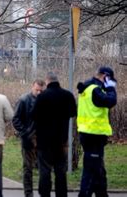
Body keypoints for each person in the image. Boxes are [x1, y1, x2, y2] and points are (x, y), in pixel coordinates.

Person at [33, 72, 76, 197]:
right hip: (61, 140)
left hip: (44, 141)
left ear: (47, 82)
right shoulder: (67, 95)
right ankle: (61, 194)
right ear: (57, 81)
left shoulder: (42, 97)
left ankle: (45, 194)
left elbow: (34, 116)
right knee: (60, 171)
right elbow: (73, 113)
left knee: (45, 171)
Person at [77, 66, 117, 197]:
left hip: (88, 134)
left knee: (98, 169)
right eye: (110, 80)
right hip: (93, 135)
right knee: (91, 171)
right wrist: (110, 88)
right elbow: (111, 101)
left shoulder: (88, 88)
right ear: (105, 77)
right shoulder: (94, 90)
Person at [12, 79, 46, 197]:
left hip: (42, 139)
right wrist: (24, 132)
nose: (39, 93)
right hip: (29, 138)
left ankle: (43, 191)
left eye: (41, 90)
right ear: (33, 87)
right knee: (28, 167)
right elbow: (15, 118)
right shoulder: (24, 100)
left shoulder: (45, 101)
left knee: (44, 168)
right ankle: (28, 193)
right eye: (37, 90)